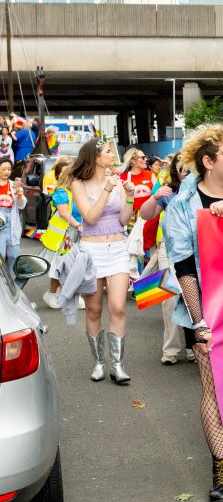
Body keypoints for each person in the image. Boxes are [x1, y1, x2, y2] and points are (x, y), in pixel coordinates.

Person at [163, 122, 223, 502]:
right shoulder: (185, 208)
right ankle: (221, 469)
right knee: (215, 388)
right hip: (207, 310)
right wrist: (200, 323)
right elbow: (185, 268)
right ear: (207, 162)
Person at [70, 139, 136, 384]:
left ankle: (117, 365)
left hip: (117, 248)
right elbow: (90, 217)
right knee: (94, 308)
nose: (113, 154)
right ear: (96, 157)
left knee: (118, 307)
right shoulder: (79, 184)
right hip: (92, 251)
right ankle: (98, 362)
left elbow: (122, 221)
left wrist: (128, 197)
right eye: (108, 151)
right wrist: (108, 189)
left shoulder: (117, 181)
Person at [140, 155, 195, 365]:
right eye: (182, 169)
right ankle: (171, 349)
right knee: (169, 299)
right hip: (169, 249)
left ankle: (193, 347)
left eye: (190, 170)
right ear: (175, 171)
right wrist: (154, 197)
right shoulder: (168, 191)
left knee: (194, 297)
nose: (186, 173)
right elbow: (146, 215)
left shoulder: (203, 189)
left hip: (196, 251)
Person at [40, 157, 85, 310]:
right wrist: (78, 225)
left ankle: (69, 294)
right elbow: (64, 213)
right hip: (62, 237)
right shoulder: (61, 192)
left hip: (75, 234)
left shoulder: (79, 191)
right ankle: (52, 294)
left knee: (74, 266)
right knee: (59, 267)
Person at [0, 158, 26, 270]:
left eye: (9, 169)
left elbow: (21, 205)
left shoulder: (14, 185)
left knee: (14, 255)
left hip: (11, 222)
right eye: (3, 169)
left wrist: (19, 193)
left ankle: (12, 284)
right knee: (0, 255)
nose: (7, 172)